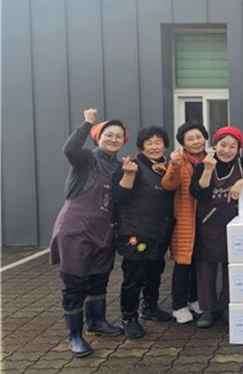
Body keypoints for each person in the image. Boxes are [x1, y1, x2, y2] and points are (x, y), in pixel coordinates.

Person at [49, 109, 126, 357]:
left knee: (99, 279)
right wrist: (87, 123)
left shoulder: (121, 166)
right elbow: (69, 149)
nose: (113, 139)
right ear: (97, 137)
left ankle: (97, 322)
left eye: (118, 136)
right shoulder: (85, 160)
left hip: (104, 231)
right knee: (74, 284)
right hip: (76, 230)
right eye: (108, 135)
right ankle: (75, 335)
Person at [190, 126, 243, 328]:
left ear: (238, 148)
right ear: (215, 145)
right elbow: (198, 192)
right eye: (222, 145)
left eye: (232, 146)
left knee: (230, 266)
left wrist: (242, 182)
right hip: (208, 224)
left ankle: (226, 305)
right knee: (206, 267)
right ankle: (208, 309)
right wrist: (208, 171)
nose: (227, 150)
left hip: (232, 224)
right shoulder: (204, 165)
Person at [111, 126, 175, 339]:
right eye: (149, 143)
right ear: (141, 147)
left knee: (155, 270)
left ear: (165, 145)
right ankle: (129, 317)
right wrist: (128, 175)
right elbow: (118, 198)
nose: (154, 147)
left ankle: (150, 307)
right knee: (134, 275)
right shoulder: (133, 167)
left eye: (158, 142)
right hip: (136, 232)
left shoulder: (166, 167)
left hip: (159, 231)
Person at [160, 122, 209, 324]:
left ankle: (194, 299)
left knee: (198, 261)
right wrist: (174, 166)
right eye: (190, 139)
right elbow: (168, 184)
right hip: (185, 218)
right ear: (183, 143)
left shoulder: (210, 160)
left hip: (205, 219)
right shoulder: (179, 161)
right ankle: (178, 305)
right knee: (183, 263)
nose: (196, 142)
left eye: (199, 137)